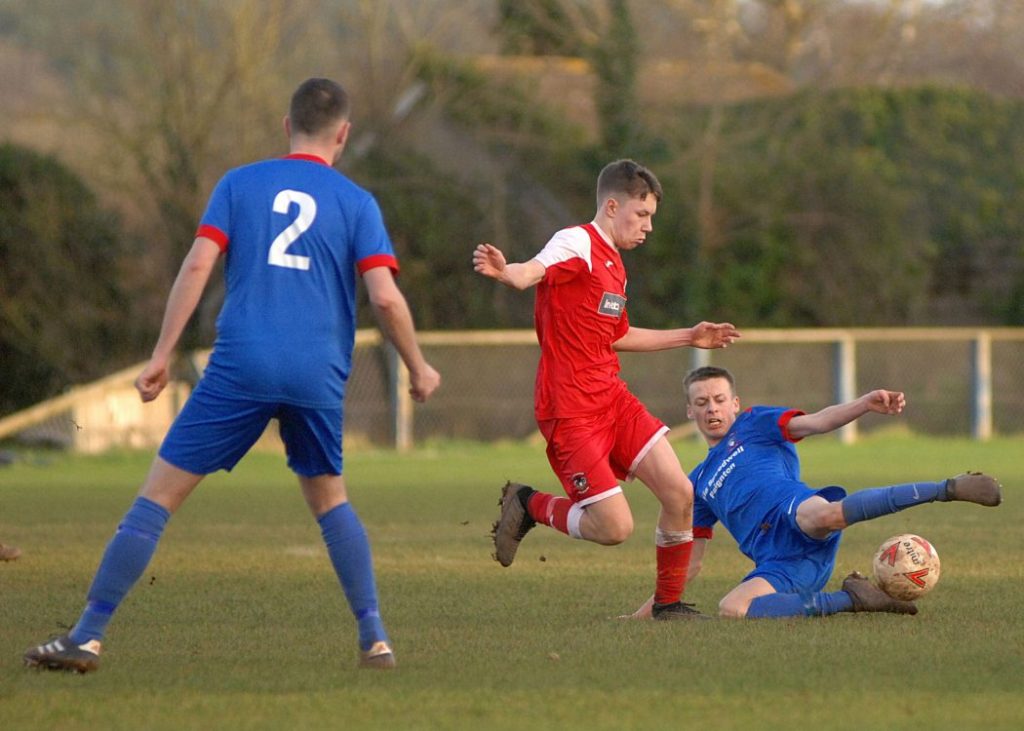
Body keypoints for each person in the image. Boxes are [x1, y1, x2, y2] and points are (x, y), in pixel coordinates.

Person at [24, 78, 440, 673]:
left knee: (157, 499)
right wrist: (418, 368)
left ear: (285, 126)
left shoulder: (239, 183)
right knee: (330, 501)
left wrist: (162, 353)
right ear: (343, 135)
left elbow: (198, 262)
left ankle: (87, 635)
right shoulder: (357, 203)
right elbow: (387, 299)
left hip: (242, 361)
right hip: (316, 373)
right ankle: (375, 639)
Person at [473, 159, 740, 620]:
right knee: (614, 528)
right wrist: (509, 273)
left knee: (679, 492)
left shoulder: (615, 265)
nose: (648, 226)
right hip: (569, 408)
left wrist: (689, 336)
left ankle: (667, 605)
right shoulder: (577, 241)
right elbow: (532, 271)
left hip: (611, 397)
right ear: (612, 205)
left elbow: (617, 335)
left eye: (651, 217)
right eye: (642, 215)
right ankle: (529, 504)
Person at [628, 365, 1002, 620]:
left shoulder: (756, 423)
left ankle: (948, 488)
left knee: (822, 514)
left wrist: (864, 404)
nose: (712, 409)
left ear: (735, 404)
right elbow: (688, 564)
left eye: (720, 400)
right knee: (733, 608)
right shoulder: (697, 483)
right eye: (702, 403)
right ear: (689, 412)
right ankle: (854, 599)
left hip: (796, 513)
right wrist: (648, 611)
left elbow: (819, 421)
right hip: (783, 563)